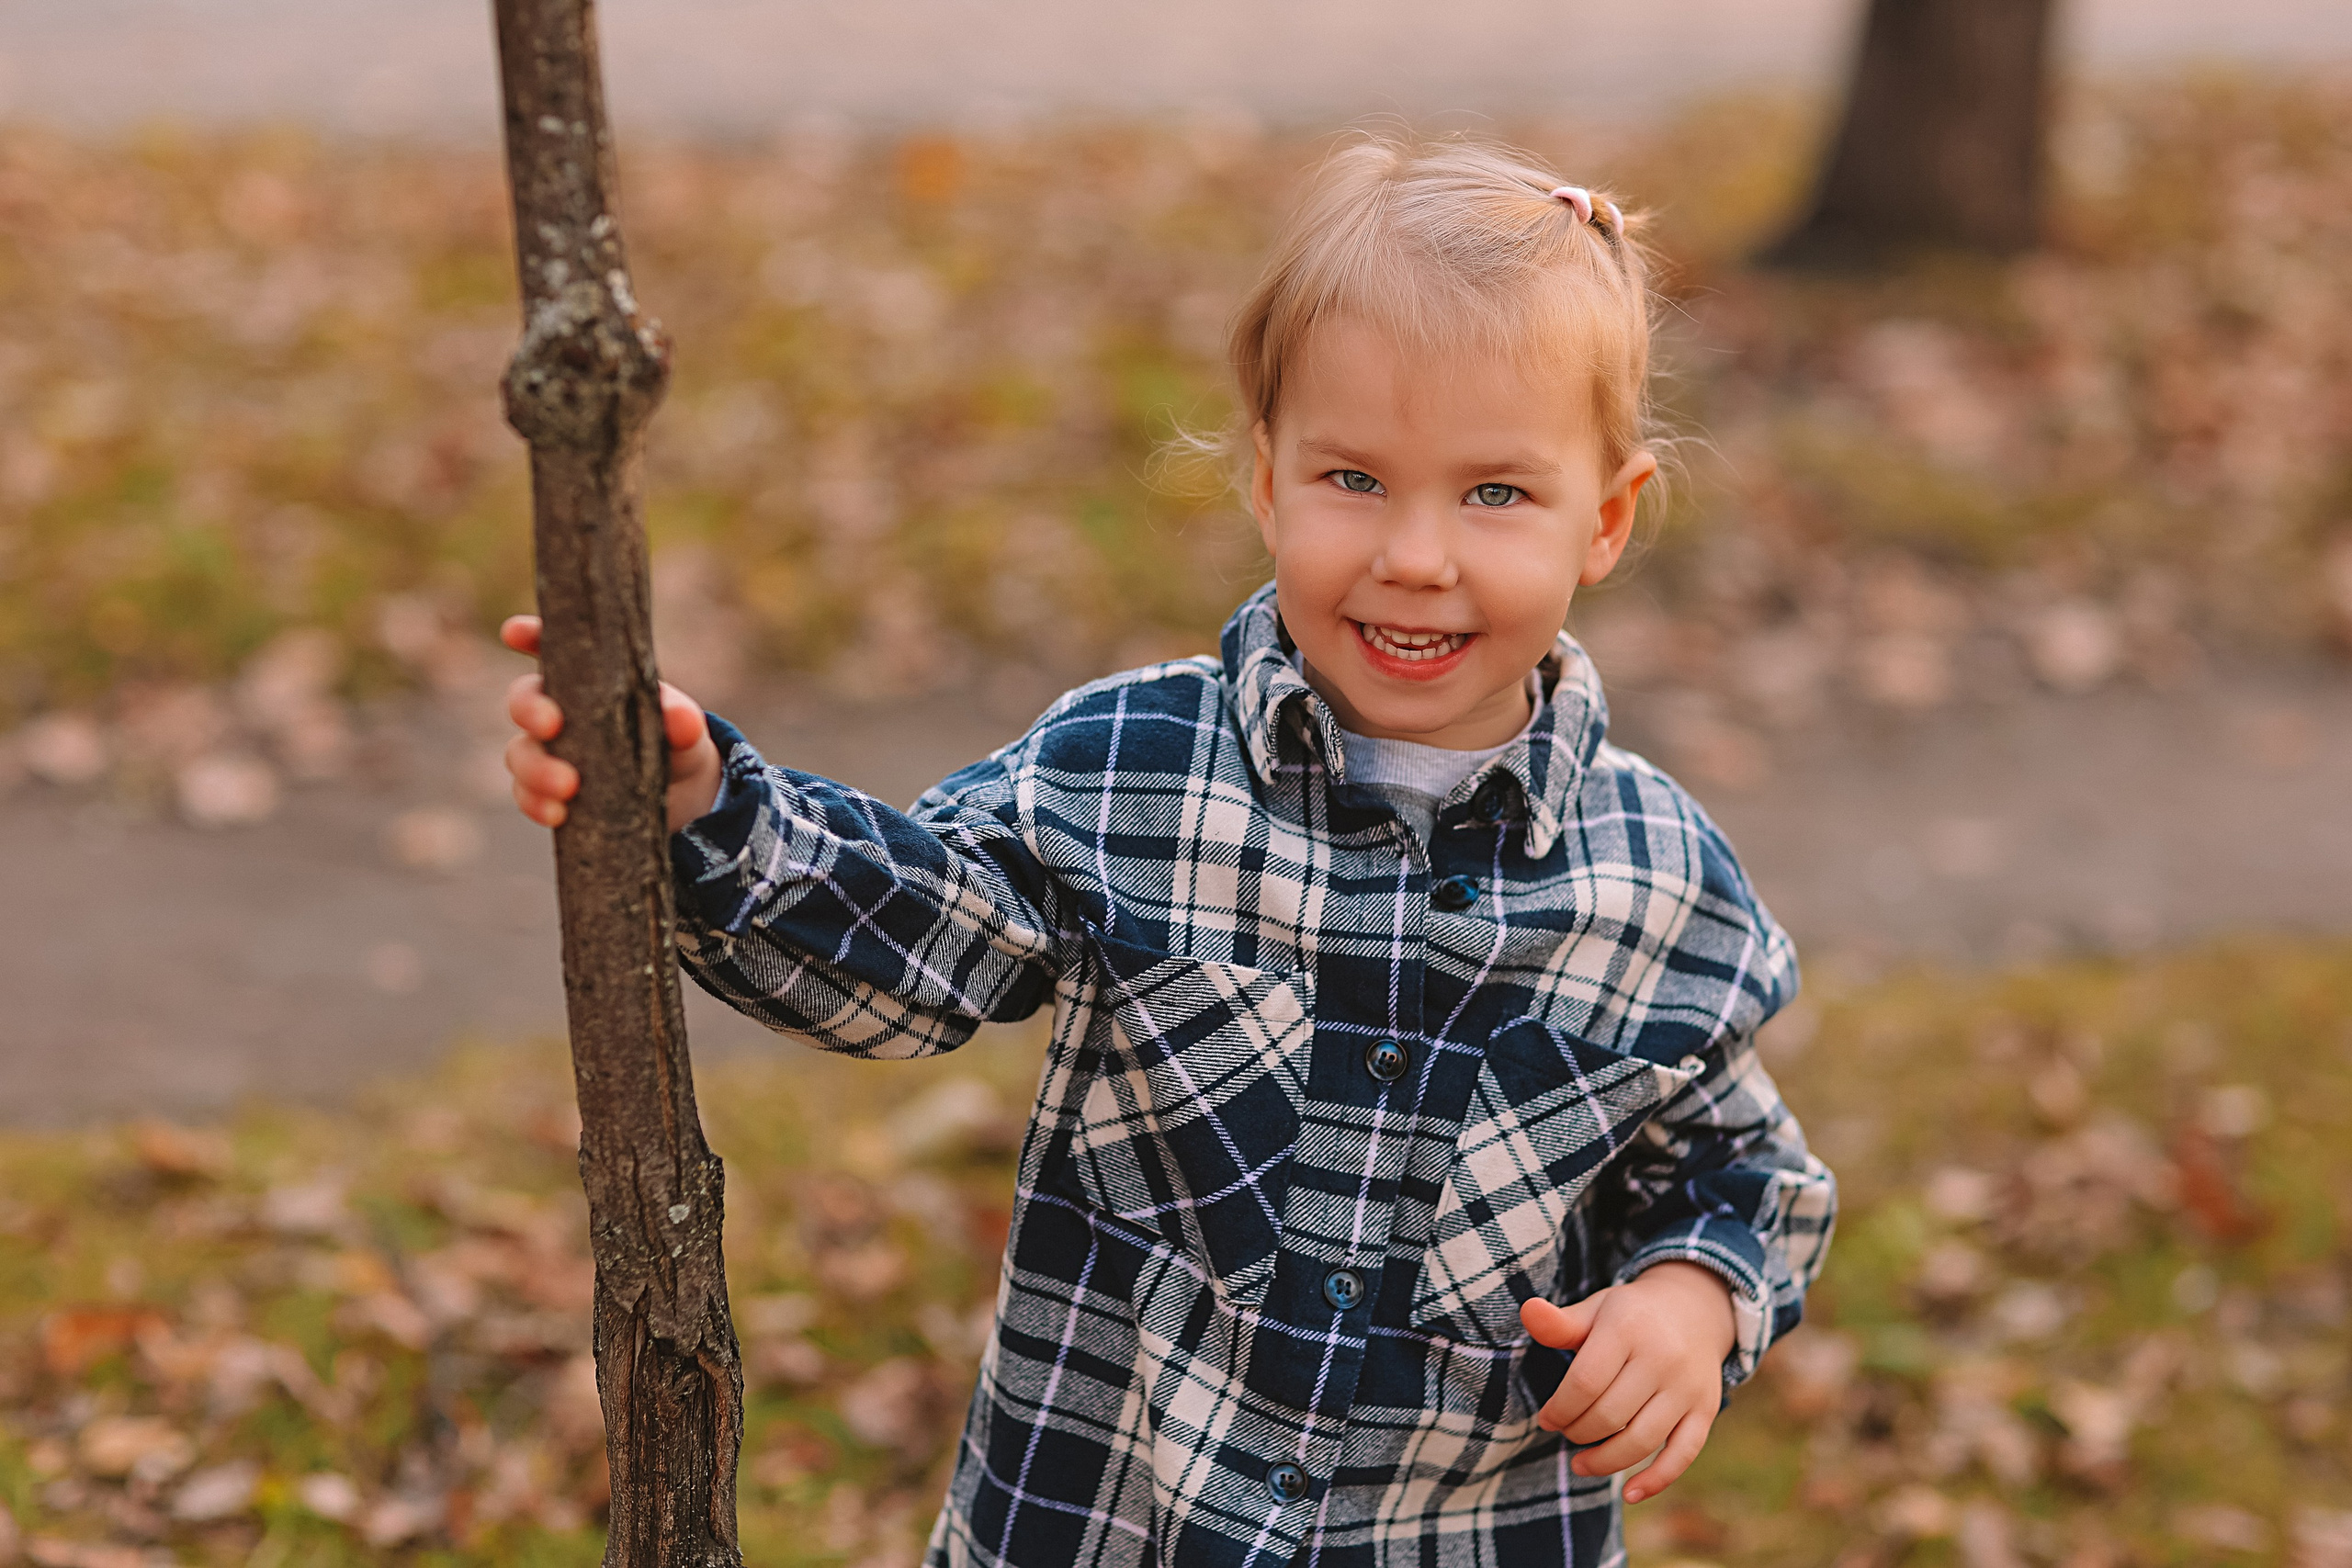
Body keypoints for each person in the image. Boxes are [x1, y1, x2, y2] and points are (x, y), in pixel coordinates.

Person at [502, 136, 1835, 1568]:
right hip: (1107, 1522)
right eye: (1354, 479)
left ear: (1607, 520)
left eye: (1495, 494)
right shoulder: (1134, 773)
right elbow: (919, 946)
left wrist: (1692, 1300)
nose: (1416, 556)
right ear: (1265, 481)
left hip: (1461, 1532)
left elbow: (1743, 1167)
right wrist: (707, 809)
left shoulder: (1656, 881)